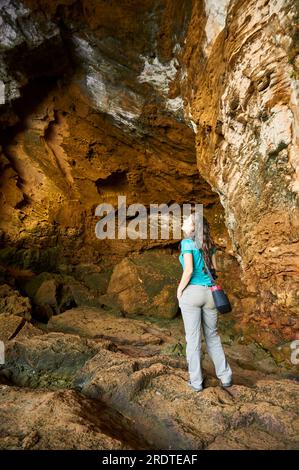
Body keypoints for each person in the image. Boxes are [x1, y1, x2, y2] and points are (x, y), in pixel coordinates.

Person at [177, 212, 232, 392]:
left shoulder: (187, 243)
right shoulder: (210, 246)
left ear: (193, 228)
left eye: (187, 220)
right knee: (213, 336)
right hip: (210, 294)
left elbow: (189, 270)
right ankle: (225, 377)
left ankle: (196, 382)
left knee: (193, 339)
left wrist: (179, 290)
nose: (183, 221)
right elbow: (214, 270)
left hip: (192, 293)